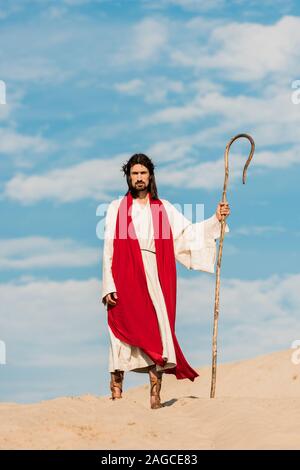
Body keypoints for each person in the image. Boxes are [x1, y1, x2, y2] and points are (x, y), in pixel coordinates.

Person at [101, 153, 230, 409]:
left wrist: (216, 218)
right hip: (124, 274)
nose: (139, 178)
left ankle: (155, 396)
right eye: (135, 173)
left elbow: (188, 233)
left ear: (150, 176)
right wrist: (108, 285)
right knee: (120, 330)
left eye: (143, 173)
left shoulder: (163, 209)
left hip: (154, 275)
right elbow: (108, 248)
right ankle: (116, 391)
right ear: (129, 177)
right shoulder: (116, 208)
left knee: (157, 330)